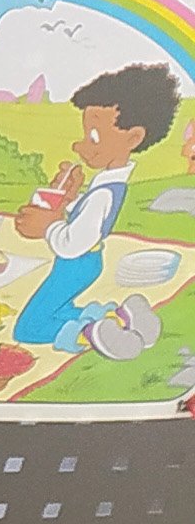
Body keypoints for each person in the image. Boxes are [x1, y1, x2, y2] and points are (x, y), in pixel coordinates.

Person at [12, 62, 172, 359]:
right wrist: (70, 199)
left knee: (30, 327)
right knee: (59, 308)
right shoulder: (109, 185)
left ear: (133, 138)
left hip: (77, 264)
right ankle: (120, 317)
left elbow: (74, 243)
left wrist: (48, 226)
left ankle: (92, 333)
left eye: (93, 137)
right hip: (84, 263)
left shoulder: (103, 194)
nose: (80, 146)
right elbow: (86, 221)